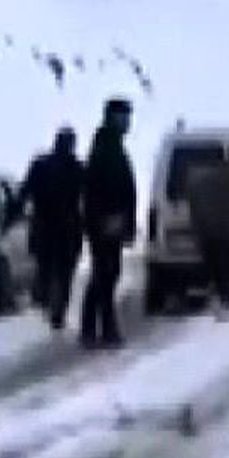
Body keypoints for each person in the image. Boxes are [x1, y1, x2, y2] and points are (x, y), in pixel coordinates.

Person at [9, 126, 85, 330]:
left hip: (44, 226)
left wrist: (11, 215)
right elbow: (88, 199)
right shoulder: (77, 168)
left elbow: (24, 192)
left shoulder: (41, 165)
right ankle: (57, 310)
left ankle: (45, 298)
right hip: (68, 227)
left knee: (47, 267)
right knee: (65, 271)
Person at [81, 98, 137, 347]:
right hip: (106, 223)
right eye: (123, 117)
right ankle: (102, 329)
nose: (127, 122)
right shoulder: (106, 148)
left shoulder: (110, 146)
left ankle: (95, 328)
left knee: (106, 274)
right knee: (105, 274)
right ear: (112, 117)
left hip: (109, 221)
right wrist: (108, 219)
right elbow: (99, 189)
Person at [188, 156, 229, 314]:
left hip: (208, 232)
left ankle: (218, 301)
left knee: (215, 270)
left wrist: (197, 232)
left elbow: (195, 208)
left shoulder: (201, 179)